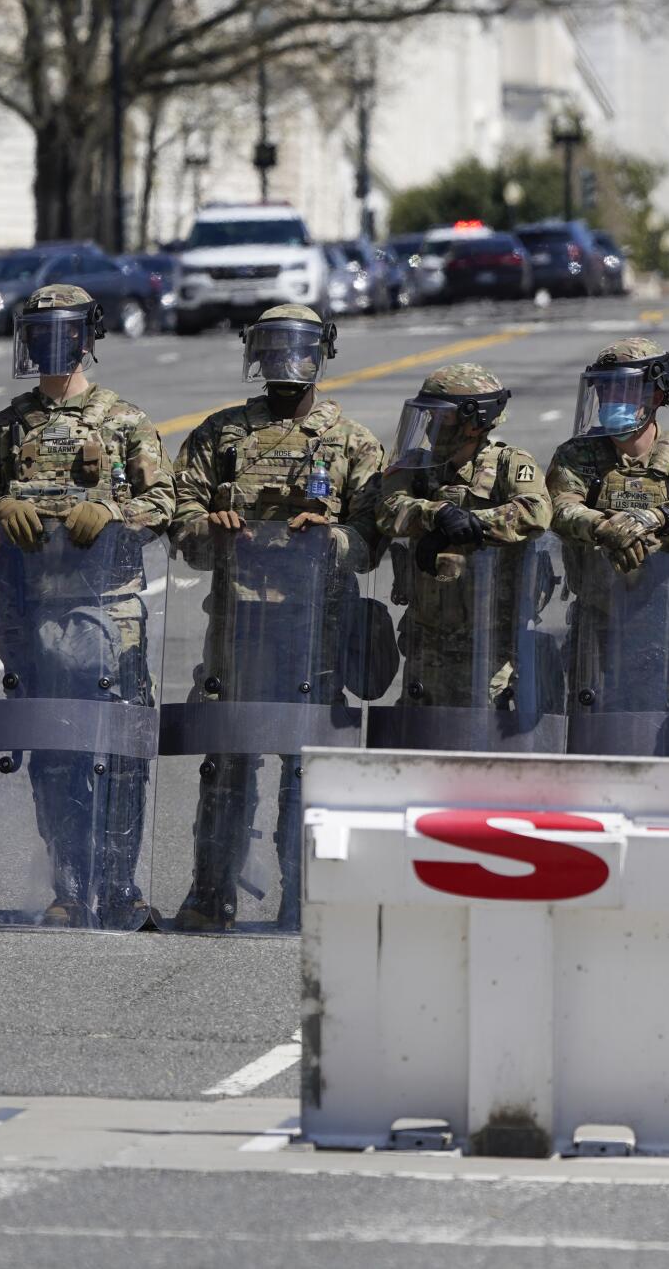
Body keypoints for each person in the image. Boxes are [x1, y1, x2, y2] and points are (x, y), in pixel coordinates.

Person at [0, 283, 172, 928]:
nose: (53, 344)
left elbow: (165, 504)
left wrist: (111, 510)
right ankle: (69, 885)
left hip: (109, 610)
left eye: (65, 331)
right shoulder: (4, 428)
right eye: (40, 331)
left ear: (87, 336)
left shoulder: (125, 422)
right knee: (50, 751)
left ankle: (121, 884)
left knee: (119, 749)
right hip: (29, 610)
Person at [169, 303, 382, 931]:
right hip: (237, 628)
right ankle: (211, 892)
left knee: (305, 763)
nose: (284, 363)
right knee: (227, 759)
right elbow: (176, 518)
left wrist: (332, 538)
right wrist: (210, 527)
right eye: (272, 348)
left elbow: (374, 537)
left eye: (298, 349)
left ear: (322, 354)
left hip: (317, 630)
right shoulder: (221, 435)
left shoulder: (351, 442)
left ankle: (302, 898)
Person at [548, 338, 669, 713]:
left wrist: (657, 518)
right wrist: (602, 526)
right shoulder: (577, 455)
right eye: (606, 388)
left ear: (657, 394)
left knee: (666, 720)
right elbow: (558, 506)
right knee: (589, 723)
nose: (613, 399)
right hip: (597, 625)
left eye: (625, 388)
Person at [379, 362, 552, 720]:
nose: (430, 426)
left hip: (490, 642)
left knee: (483, 741)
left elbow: (536, 512)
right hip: (427, 638)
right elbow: (386, 509)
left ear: (475, 421)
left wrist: (475, 522)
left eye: (441, 417)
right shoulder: (415, 466)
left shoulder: (509, 464)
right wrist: (436, 514)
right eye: (428, 416)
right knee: (419, 742)